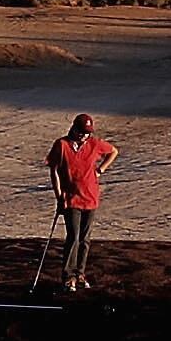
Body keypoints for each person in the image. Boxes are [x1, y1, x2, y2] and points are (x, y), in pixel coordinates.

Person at [45, 112, 120, 292]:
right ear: (74, 128)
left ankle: (80, 273)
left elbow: (113, 151)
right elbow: (54, 170)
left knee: (85, 239)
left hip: (91, 198)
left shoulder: (94, 144)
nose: (84, 135)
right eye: (81, 131)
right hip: (71, 199)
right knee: (73, 238)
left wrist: (100, 170)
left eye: (87, 132)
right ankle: (68, 276)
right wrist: (59, 195)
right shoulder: (61, 145)